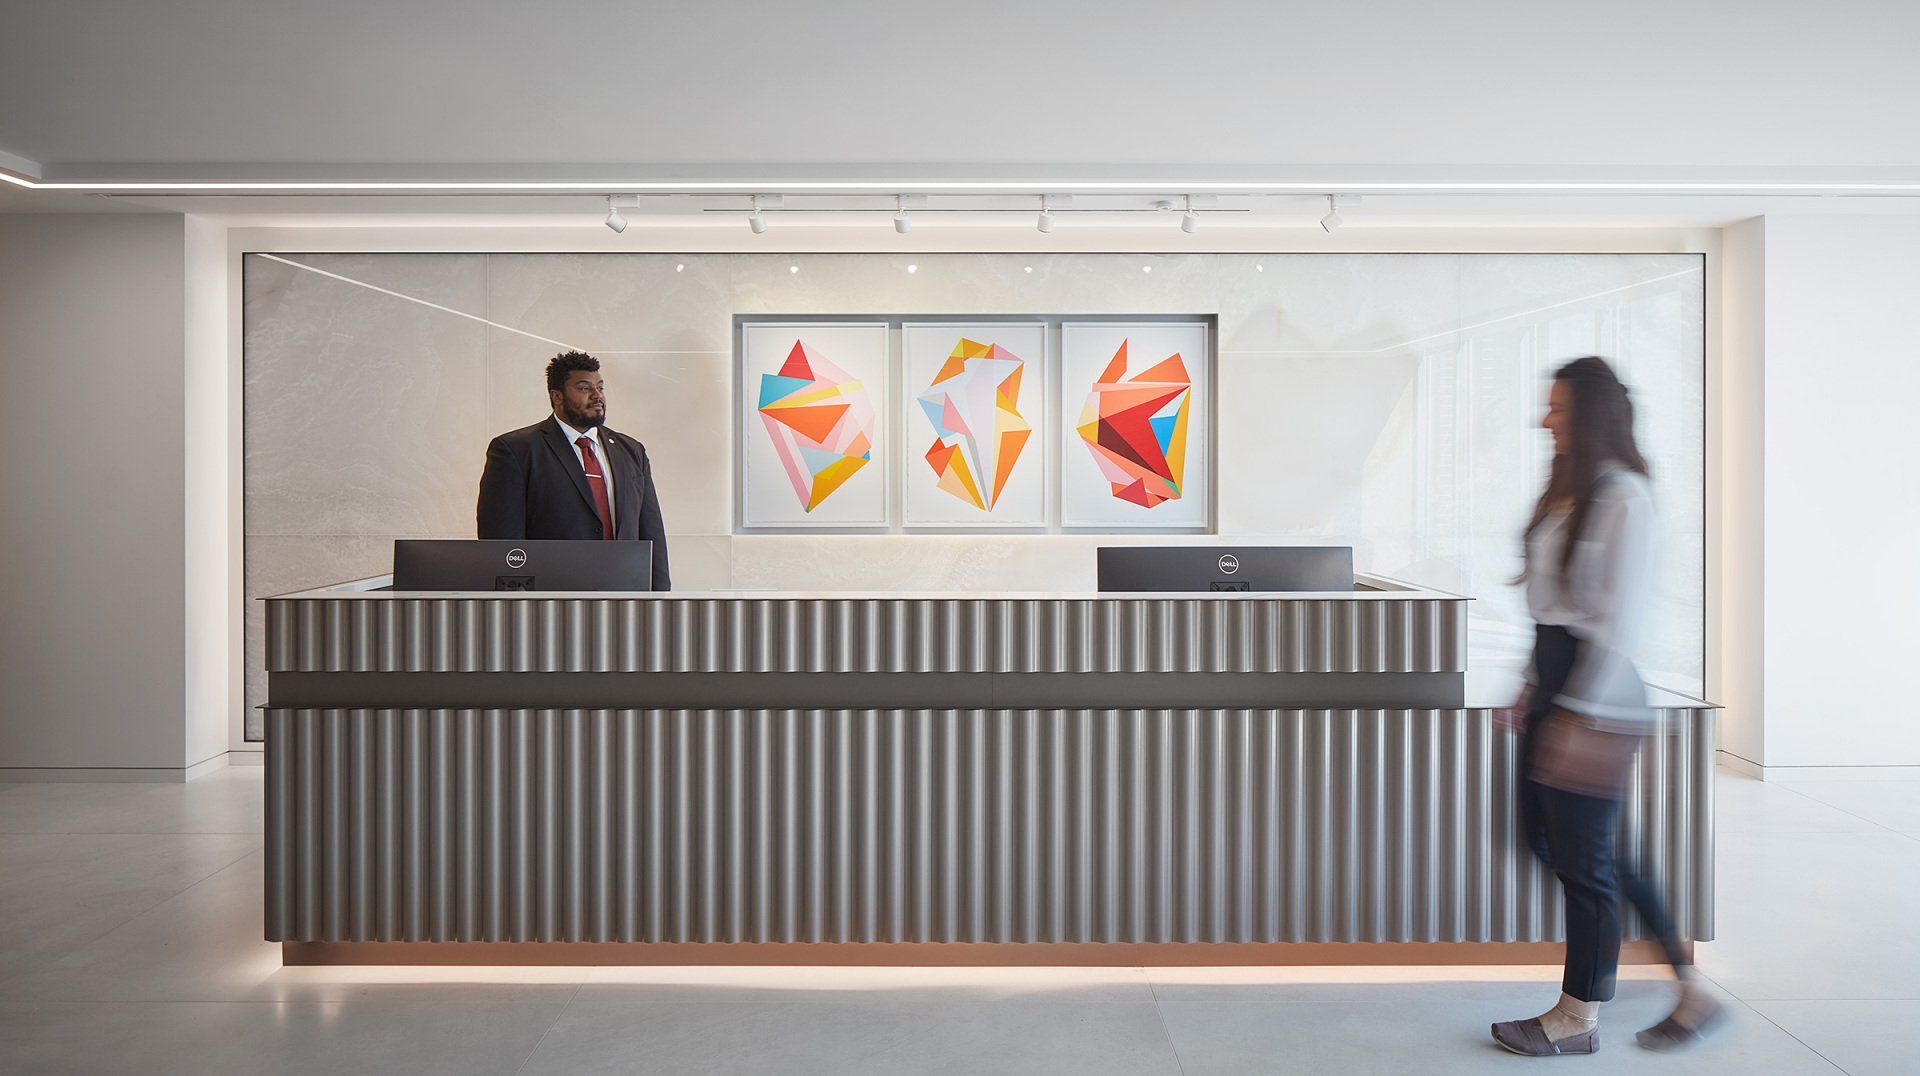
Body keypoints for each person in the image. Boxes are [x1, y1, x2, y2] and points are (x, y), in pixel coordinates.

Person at [1489, 357, 1717, 1057]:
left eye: (1557, 407)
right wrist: (1533, 686)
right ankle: (1689, 984)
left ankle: (1576, 1016)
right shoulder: (1569, 491)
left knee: (1588, 860)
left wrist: (1579, 712)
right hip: (1558, 678)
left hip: (1599, 692)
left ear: (1589, 414)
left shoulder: (1626, 499)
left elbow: (1618, 623)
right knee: (1561, 844)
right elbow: (1551, 610)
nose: (1545, 419)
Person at [476, 350, 671, 590]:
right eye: (584, 388)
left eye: (600, 387)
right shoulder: (515, 450)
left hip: (626, 598)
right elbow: (501, 543)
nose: (597, 395)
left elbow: (652, 533)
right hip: (550, 603)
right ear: (557, 396)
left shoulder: (631, 451)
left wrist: (660, 598)